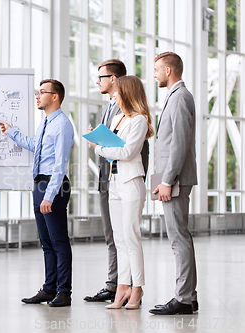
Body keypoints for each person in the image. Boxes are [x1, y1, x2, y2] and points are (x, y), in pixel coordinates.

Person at [0, 79, 74, 307]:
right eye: (38, 92)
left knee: (59, 241)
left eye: (43, 92)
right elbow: (35, 146)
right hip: (39, 184)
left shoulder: (62, 124)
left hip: (54, 186)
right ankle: (49, 288)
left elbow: (60, 165)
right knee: (46, 242)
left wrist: (49, 196)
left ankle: (64, 291)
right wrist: (12, 132)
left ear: (55, 97)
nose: (38, 96)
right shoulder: (46, 123)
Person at [87, 75, 154, 310]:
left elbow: (126, 152)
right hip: (114, 182)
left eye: (117, 91)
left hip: (131, 182)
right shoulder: (117, 117)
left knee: (132, 237)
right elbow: (115, 145)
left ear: (127, 92)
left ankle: (138, 288)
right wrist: (99, 138)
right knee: (120, 239)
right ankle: (123, 286)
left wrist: (99, 149)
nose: (114, 94)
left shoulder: (140, 120)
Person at [149, 52, 198, 315]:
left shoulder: (179, 97)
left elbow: (179, 143)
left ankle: (183, 298)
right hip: (172, 177)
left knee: (178, 238)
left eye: (157, 69)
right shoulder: (175, 96)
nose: (154, 73)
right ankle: (189, 296)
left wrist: (167, 180)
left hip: (175, 179)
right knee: (181, 237)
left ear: (169, 71)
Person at [83, 59, 126, 303]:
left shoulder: (128, 106)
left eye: (101, 77)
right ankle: (112, 285)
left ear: (113, 79)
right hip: (105, 178)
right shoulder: (107, 107)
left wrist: (99, 143)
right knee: (110, 235)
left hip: (120, 177)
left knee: (122, 236)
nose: (97, 82)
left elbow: (130, 146)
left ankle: (124, 285)